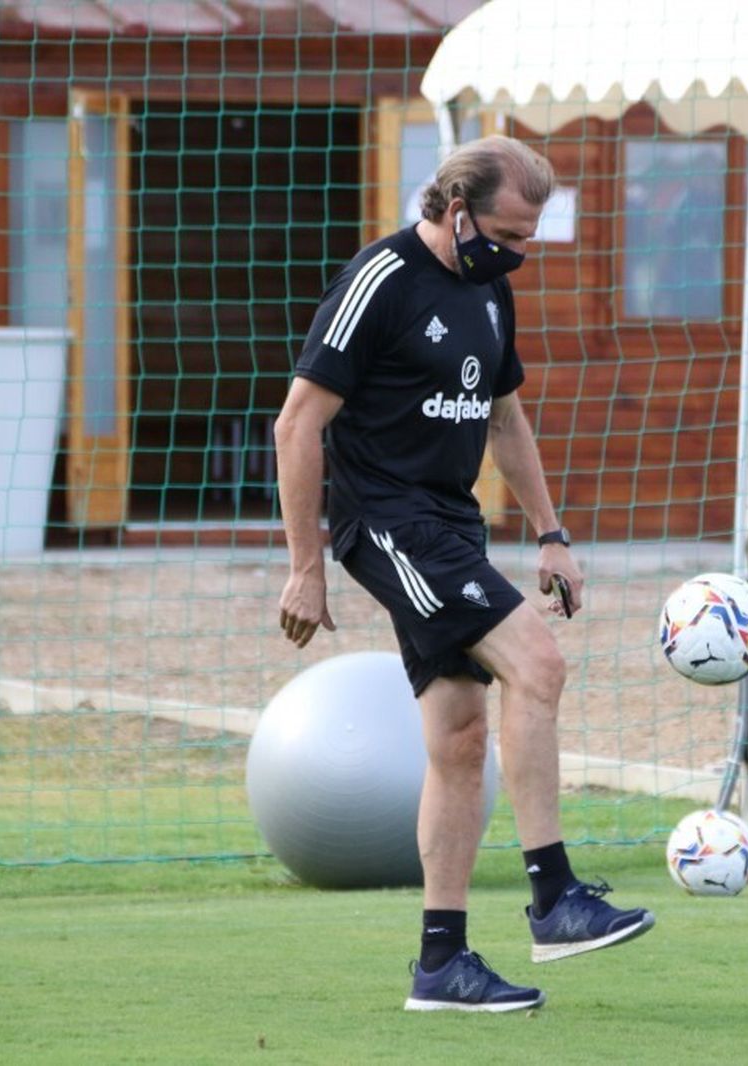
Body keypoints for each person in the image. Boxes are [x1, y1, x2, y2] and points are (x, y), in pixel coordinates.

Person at [274, 135, 654, 1013]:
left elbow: (504, 419)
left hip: (452, 527)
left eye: (530, 238)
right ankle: (555, 897)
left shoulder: (489, 290)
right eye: (509, 234)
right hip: (388, 524)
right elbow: (298, 424)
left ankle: (441, 966)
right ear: (456, 210)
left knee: (458, 739)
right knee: (539, 663)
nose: (519, 253)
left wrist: (551, 533)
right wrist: (305, 567)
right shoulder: (380, 281)